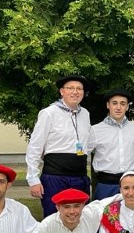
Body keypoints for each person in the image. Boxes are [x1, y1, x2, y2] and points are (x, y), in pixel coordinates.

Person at [26, 75, 92, 218]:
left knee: (80, 218)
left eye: (79, 89)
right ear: (62, 91)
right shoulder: (49, 113)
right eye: (70, 88)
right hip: (55, 177)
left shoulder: (85, 114)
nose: (75, 92)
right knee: (54, 218)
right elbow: (35, 147)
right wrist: (33, 179)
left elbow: (89, 143)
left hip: (79, 176)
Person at [89, 88, 134, 200]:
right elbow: (84, 152)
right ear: (108, 105)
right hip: (106, 185)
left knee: (131, 216)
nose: (118, 107)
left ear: (127, 107)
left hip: (131, 186)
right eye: (114, 103)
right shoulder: (95, 130)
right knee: (104, 216)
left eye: (122, 103)